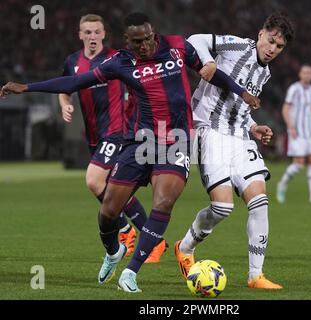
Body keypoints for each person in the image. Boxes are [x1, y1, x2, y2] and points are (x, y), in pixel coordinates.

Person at [1, 12, 260, 293]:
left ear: (154, 34)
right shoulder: (120, 62)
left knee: (163, 202)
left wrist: (241, 92)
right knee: (109, 210)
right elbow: (75, 83)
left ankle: (130, 273)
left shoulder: (177, 46)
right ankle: (113, 251)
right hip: (140, 142)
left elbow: (212, 73)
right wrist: (27, 87)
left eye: (148, 39)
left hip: (177, 140)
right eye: (137, 42)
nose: (145, 46)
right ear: (127, 41)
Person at [174, 12, 294, 289]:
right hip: (211, 132)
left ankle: (256, 275)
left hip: (241, 138)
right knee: (223, 207)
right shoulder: (238, 45)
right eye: (271, 41)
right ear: (261, 34)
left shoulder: (265, 73)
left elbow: (240, 108)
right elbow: (194, 40)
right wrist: (208, 61)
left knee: (260, 201)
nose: (272, 49)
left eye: (279, 47)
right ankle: (185, 247)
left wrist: (253, 127)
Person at [58, 14, 167, 265]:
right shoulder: (72, 61)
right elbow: (65, 88)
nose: (92, 37)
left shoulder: (117, 58)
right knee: (115, 188)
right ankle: (147, 238)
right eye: (87, 32)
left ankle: (126, 230)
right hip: (95, 136)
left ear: (104, 34)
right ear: (80, 35)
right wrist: (65, 104)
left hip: (117, 131)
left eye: (97, 32)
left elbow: (145, 78)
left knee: (94, 181)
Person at [276, 64, 311, 205]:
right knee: (299, 164)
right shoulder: (294, 89)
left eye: (310, 72)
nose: (307, 75)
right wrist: (290, 126)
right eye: (305, 72)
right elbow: (285, 108)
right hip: (297, 132)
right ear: (300, 74)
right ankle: (282, 184)